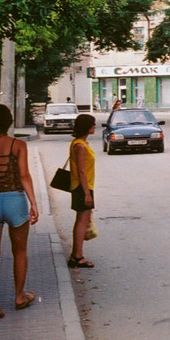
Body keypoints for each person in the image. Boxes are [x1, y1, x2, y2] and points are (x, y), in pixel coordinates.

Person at [0, 105, 38, 321]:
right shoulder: (18, 145)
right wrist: (33, 203)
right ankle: (19, 296)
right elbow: (24, 175)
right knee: (20, 251)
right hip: (15, 202)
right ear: (9, 122)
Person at [68, 114, 96, 269]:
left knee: (82, 220)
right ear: (86, 127)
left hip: (84, 186)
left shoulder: (80, 143)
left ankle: (76, 254)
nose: (95, 126)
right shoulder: (80, 146)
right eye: (93, 124)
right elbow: (81, 171)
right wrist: (87, 194)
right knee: (81, 221)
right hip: (82, 187)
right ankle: (77, 256)